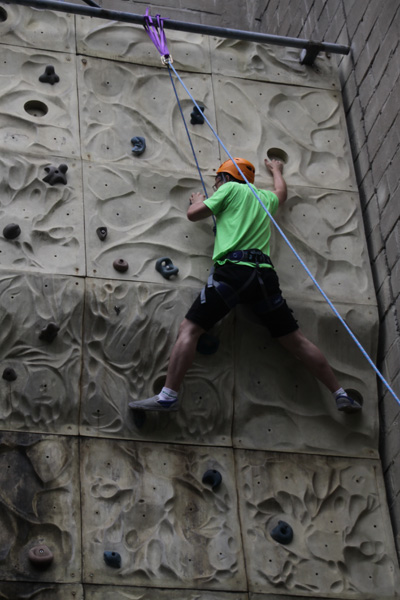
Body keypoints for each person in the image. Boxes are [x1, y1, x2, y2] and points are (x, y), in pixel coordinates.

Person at [129, 157, 362, 414]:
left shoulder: (230, 189)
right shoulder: (264, 197)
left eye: (217, 180)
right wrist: (276, 170)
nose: (216, 186)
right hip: (263, 276)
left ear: (226, 178)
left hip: (233, 272)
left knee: (190, 329)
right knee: (295, 340)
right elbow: (282, 194)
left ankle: (168, 396)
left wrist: (197, 202)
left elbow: (194, 215)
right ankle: (340, 394)